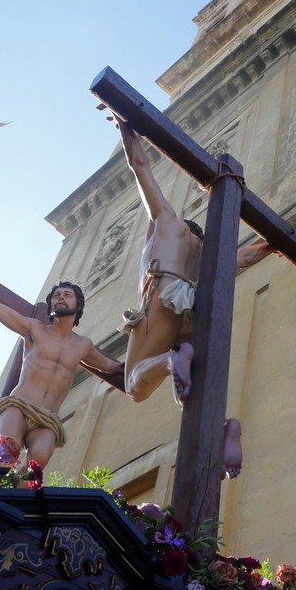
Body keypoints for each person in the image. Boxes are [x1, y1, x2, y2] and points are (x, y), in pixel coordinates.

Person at [111, 118, 273, 478]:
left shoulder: (167, 222)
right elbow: (244, 257)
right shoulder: (208, 253)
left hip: (164, 292)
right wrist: (274, 245)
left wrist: (125, 125)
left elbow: (140, 167)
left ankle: (172, 361)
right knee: (196, 386)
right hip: (196, 305)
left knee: (134, 384)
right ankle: (222, 428)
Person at [0, 247, 125, 476]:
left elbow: (111, 366)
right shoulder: (35, 329)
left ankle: (14, 497)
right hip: (18, 405)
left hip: (47, 418)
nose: (60, 298)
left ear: (78, 306)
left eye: (67, 295)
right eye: (57, 296)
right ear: (50, 306)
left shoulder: (83, 345)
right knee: (6, 453)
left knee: (37, 464)